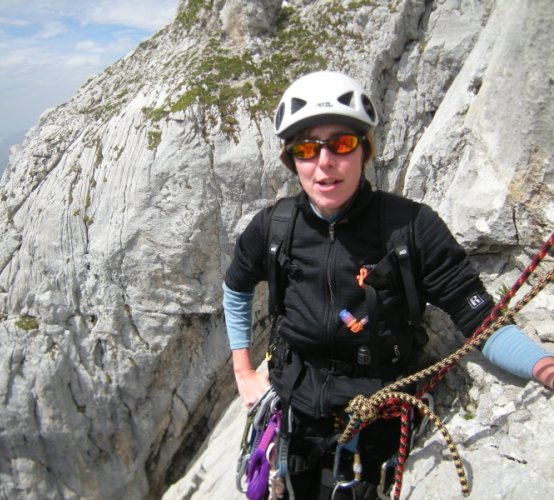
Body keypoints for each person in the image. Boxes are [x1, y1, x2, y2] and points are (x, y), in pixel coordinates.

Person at [223, 70, 554, 499]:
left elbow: (481, 320)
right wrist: (243, 372)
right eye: (307, 148)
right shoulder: (274, 228)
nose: (324, 162)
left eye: (341, 144)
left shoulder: (411, 228)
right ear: (293, 161)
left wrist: (542, 365)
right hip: (296, 423)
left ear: (364, 150)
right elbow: (236, 287)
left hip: (376, 430)